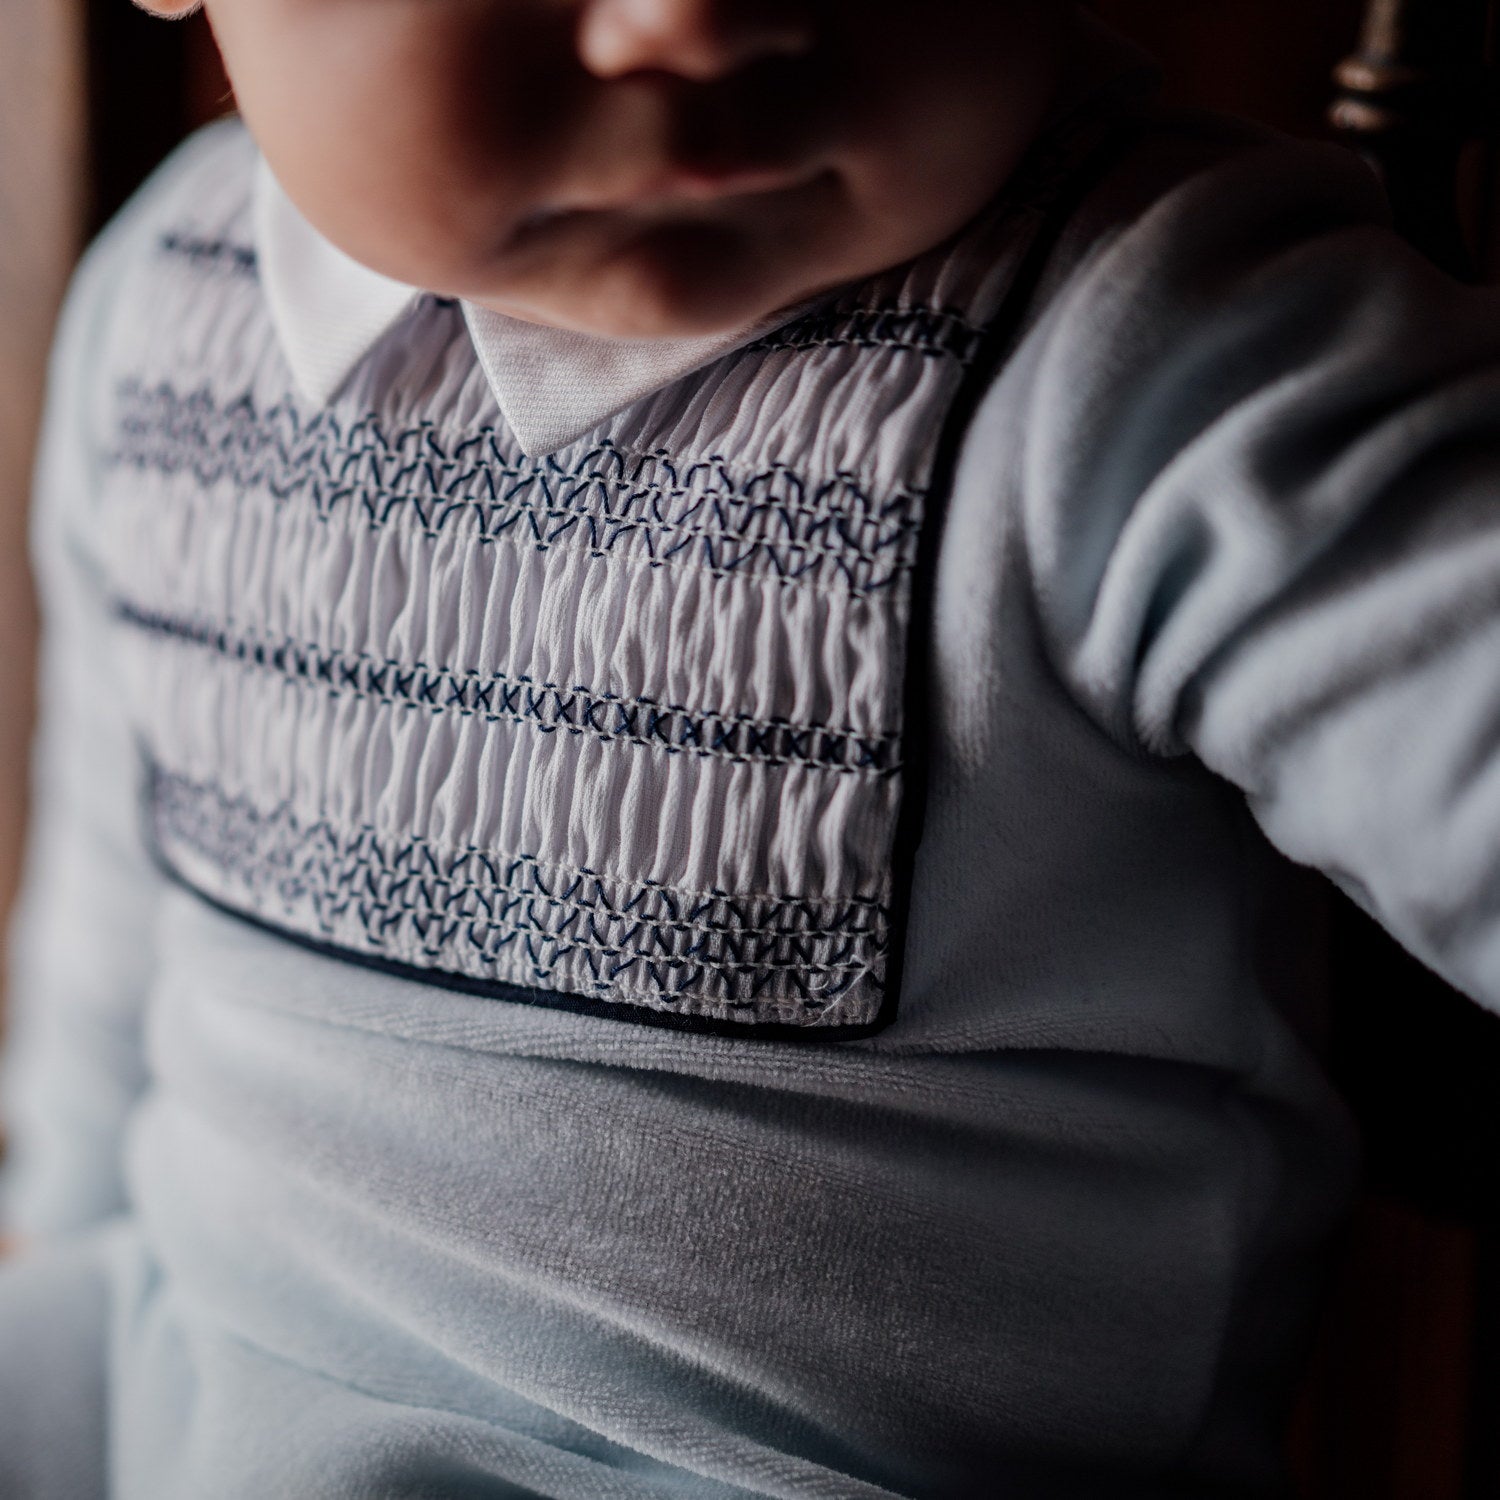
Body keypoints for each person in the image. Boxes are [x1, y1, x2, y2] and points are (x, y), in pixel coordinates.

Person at [2, 0, 1497, 1494]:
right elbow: (107, 948)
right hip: (172, 1384)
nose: (690, 23)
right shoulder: (157, 297)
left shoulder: (1168, 349)